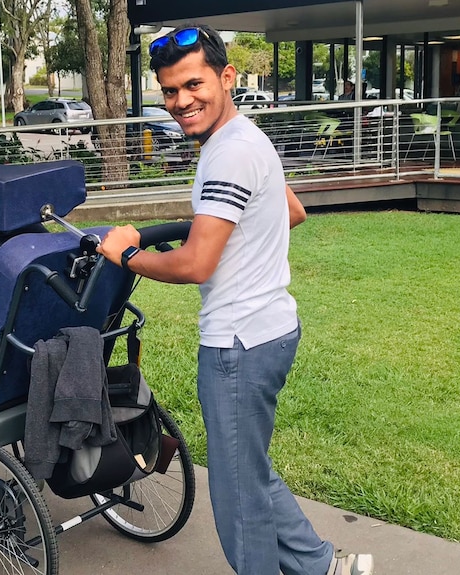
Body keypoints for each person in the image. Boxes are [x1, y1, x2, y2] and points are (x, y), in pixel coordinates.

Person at [96, 24, 372, 575]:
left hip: (237, 346)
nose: (180, 102)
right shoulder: (247, 139)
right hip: (271, 331)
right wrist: (220, 226)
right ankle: (322, 566)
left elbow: (196, 263)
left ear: (226, 77)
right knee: (250, 469)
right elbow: (291, 210)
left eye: (193, 85)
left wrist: (125, 254)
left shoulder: (228, 154)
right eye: (170, 91)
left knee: (238, 498)